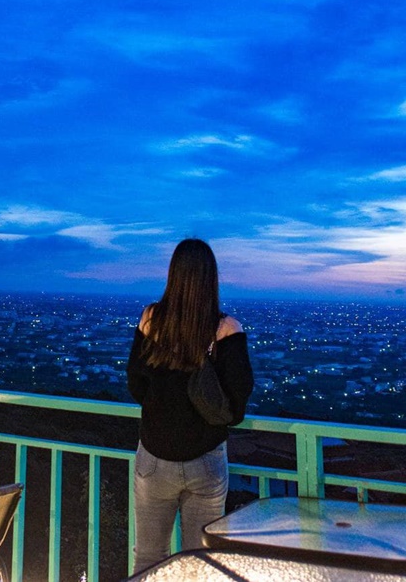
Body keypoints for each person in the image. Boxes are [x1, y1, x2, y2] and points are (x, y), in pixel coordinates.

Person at [126, 238, 254, 573]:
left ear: (173, 275)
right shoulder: (226, 329)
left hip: (155, 455)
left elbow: (136, 385)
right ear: (211, 278)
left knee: (149, 558)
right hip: (206, 460)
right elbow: (236, 404)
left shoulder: (151, 320)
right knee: (200, 563)